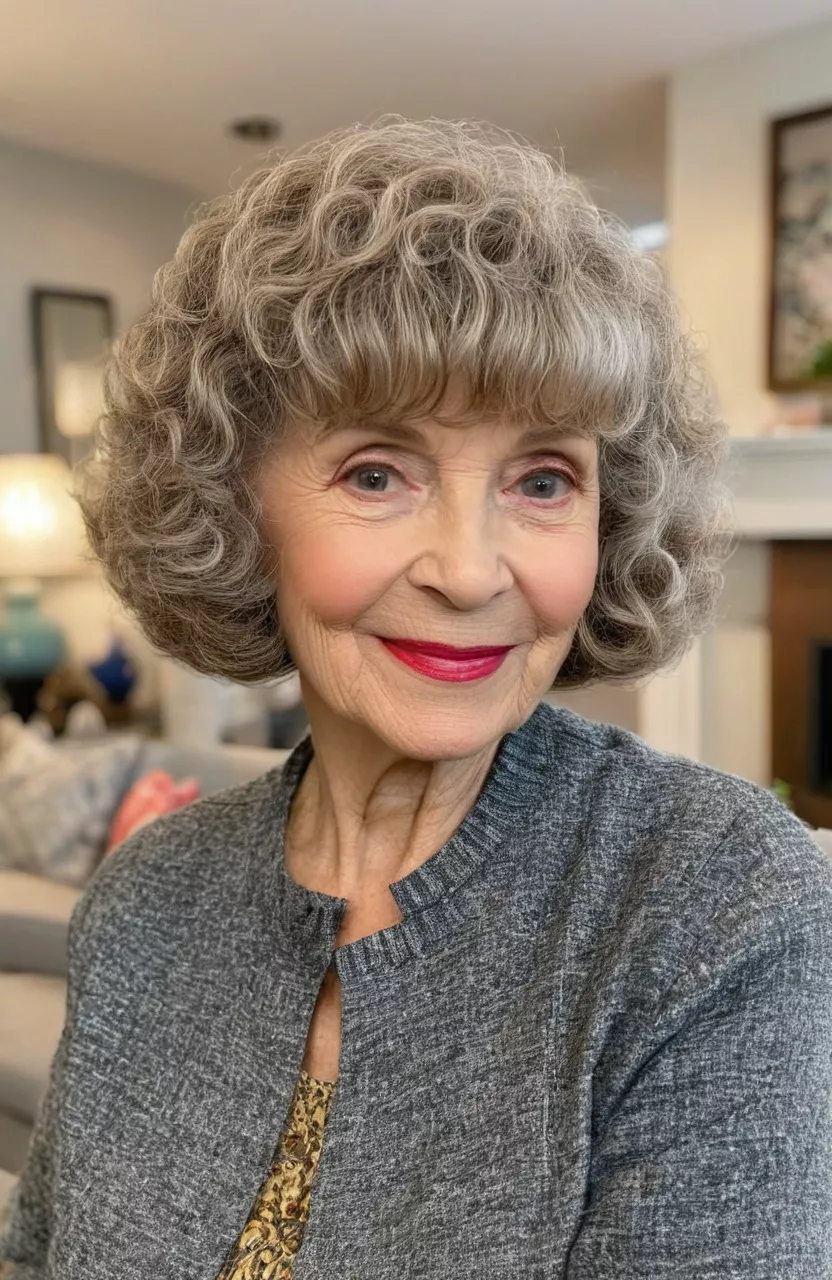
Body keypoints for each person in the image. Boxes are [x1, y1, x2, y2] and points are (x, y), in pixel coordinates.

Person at [2, 117, 831, 1280]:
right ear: (237, 506)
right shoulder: (147, 900)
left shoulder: (715, 906)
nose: (471, 567)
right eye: (376, 471)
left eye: (544, 478)